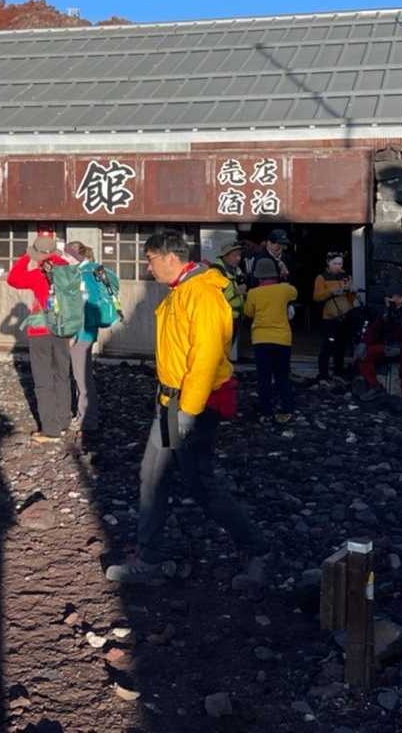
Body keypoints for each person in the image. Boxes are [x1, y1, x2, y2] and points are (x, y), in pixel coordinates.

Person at [105, 231, 270, 588]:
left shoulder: (201, 293)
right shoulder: (184, 289)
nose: (148, 269)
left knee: (197, 483)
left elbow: (206, 358)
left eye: (150, 260)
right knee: (155, 476)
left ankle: (256, 550)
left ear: (170, 258)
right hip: (174, 401)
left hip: (193, 403)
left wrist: (187, 412)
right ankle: (148, 558)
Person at [7, 234, 72, 443]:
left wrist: (27, 256)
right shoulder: (69, 272)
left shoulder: (38, 275)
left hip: (41, 330)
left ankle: (51, 430)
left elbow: (13, 279)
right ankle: (63, 421)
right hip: (63, 328)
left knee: (43, 379)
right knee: (62, 375)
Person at [63, 242, 119, 436]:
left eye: (67, 256)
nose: (65, 259)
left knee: (82, 377)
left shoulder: (85, 275)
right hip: (88, 331)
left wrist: (73, 333)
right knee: (82, 375)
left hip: (82, 332)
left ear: (75, 256)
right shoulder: (94, 270)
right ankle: (84, 415)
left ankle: (88, 419)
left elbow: (86, 306)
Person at [241, 257, 298, 421]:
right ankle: (287, 408)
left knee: (264, 377)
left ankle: (266, 410)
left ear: (258, 276)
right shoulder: (285, 289)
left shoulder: (253, 293)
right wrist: (285, 275)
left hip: (261, 339)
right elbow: (295, 293)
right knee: (282, 376)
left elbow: (248, 312)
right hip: (282, 339)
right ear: (275, 273)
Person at [357, 282, 402, 396]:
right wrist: (363, 343)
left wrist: (400, 349)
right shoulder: (386, 312)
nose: (387, 300)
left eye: (390, 297)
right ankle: (374, 386)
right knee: (364, 355)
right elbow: (374, 329)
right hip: (388, 346)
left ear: (400, 298)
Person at [313, 253, 358, 381]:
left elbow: (351, 299)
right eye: (335, 263)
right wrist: (331, 292)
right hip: (330, 317)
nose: (338, 266)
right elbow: (316, 297)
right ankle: (323, 374)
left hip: (345, 315)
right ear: (328, 262)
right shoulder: (321, 277)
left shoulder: (346, 276)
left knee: (341, 346)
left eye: (340, 264)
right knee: (328, 346)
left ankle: (339, 371)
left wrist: (352, 291)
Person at [213, 242, 249, 361]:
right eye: (235, 255)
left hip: (234, 318)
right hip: (222, 320)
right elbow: (213, 298)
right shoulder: (217, 272)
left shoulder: (235, 270)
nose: (238, 258)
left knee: (225, 353)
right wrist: (235, 292)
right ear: (225, 256)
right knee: (219, 353)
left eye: (239, 255)